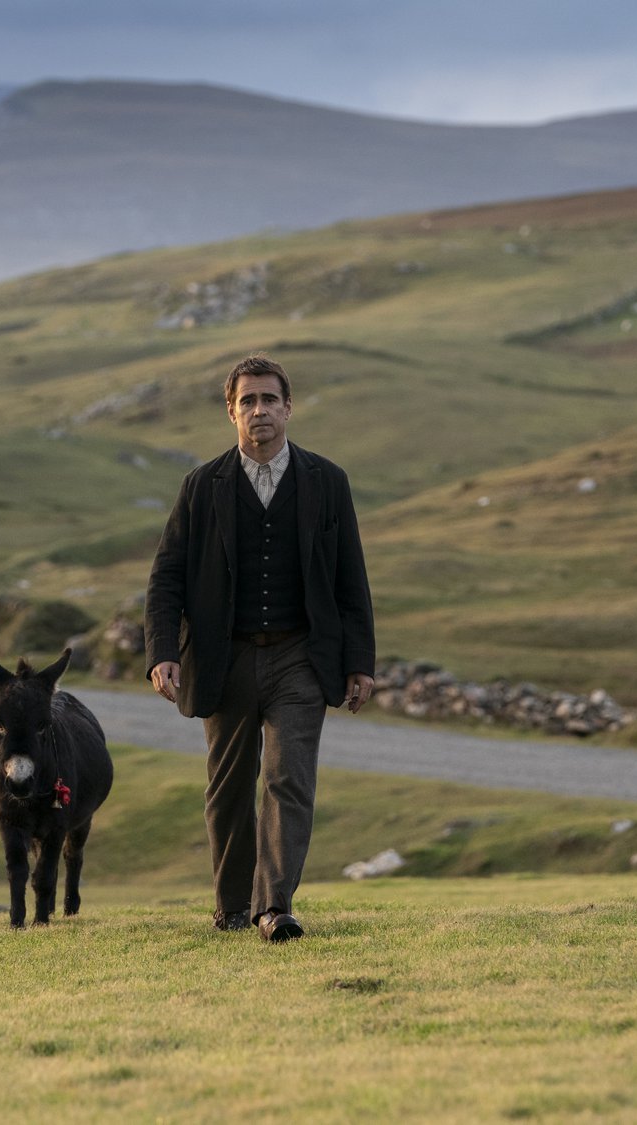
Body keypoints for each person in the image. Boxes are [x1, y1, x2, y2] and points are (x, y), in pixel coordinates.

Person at [144, 354, 376, 941]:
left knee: (288, 777)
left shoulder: (328, 482)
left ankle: (274, 907)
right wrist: (162, 651)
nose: (260, 411)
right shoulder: (201, 487)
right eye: (247, 401)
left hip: (301, 655)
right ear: (231, 412)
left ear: (289, 407)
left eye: (269, 399)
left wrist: (359, 663)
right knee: (228, 789)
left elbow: (352, 579)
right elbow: (166, 576)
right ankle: (230, 907)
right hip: (226, 658)